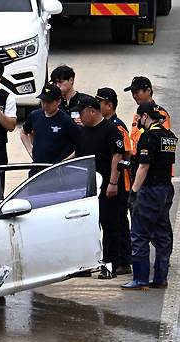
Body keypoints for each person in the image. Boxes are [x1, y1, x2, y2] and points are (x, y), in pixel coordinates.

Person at [121, 103, 177, 290]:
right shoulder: (169, 137)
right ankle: (160, 278)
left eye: (138, 118)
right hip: (165, 189)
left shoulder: (148, 137)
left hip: (150, 189)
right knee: (162, 235)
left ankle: (140, 279)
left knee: (139, 234)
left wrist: (134, 192)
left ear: (145, 116)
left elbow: (144, 166)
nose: (137, 122)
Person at [74, 96, 125, 279]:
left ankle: (110, 266)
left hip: (107, 187)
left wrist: (112, 182)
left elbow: (117, 156)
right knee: (87, 226)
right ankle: (86, 266)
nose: (80, 116)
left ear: (92, 111)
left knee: (110, 226)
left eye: (81, 112)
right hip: (88, 187)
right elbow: (79, 155)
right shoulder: (83, 131)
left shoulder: (111, 130)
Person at [96, 87, 132, 275]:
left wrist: (116, 180)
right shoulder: (104, 126)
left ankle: (124, 259)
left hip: (120, 182)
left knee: (119, 221)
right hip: (111, 181)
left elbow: (126, 153)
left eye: (100, 102)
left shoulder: (117, 126)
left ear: (109, 105)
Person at [124, 76, 171, 182]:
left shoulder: (160, 114)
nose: (134, 96)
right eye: (132, 93)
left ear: (148, 91)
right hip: (138, 165)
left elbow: (162, 140)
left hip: (153, 169)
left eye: (137, 92)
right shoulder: (137, 115)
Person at [20, 83, 79, 165]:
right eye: (43, 101)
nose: (45, 105)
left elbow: (81, 144)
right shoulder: (35, 115)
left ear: (58, 101)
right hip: (37, 167)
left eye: (49, 102)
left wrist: (66, 161)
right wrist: (30, 151)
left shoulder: (66, 121)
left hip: (57, 170)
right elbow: (23, 132)